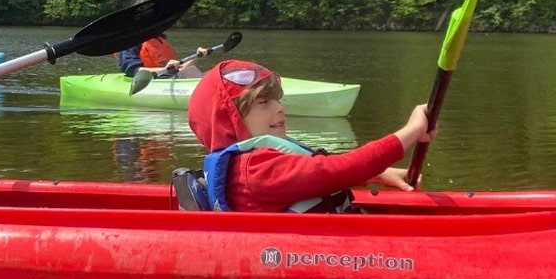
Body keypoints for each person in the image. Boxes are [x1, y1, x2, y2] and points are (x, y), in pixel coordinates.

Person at [184, 60, 436, 213]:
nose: (279, 108)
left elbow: (315, 172)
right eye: (263, 103)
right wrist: (412, 130)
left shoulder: (258, 162)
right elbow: (337, 171)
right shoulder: (255, 169)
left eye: (277, 100)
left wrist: (378, 174)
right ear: (229, 122)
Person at [116, 33, 207, 79]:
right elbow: (133, 70)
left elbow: (179, 68)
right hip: (149, 79)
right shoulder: (130, 42)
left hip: (169, 77)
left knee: (215, 71)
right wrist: (164, 69)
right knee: (191, 70)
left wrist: (197, 56)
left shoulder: (158, 39)